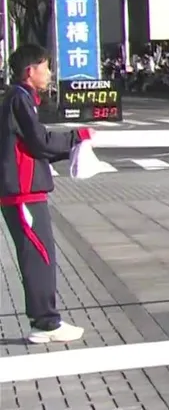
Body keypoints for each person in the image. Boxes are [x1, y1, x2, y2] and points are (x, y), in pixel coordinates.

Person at [1, 44, 92, 344]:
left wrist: (70, 146)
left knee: (42, 255)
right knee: (38, 256)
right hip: (22, 192)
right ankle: (45, 322)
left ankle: (45, 320)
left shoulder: (21, 98)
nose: (50, 73)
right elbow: (39, 140)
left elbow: (34, 145)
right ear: (30, 71)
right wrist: (76, 136)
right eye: (46, 67)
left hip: (27, 191)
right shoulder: (19, 98)